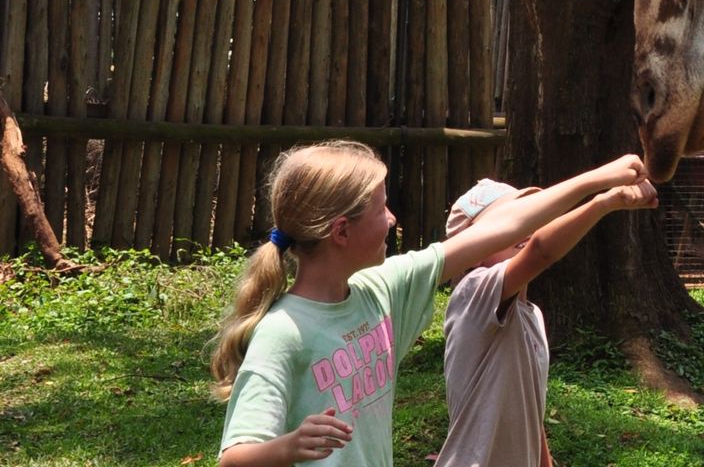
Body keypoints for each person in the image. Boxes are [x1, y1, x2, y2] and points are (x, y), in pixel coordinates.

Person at [208, 139, 648, 467]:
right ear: (341, 232)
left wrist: (601, 180)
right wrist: (289, 446)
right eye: (382, 208)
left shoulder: (383, 290)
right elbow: (234, 457)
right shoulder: (283, 332)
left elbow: (504, 227)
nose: (393, 218)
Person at [433, 171, 659, 467]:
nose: (524, 225)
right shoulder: (473, 292)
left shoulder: (533, 316)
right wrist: (603, 202)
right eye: (509, 220)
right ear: (472, 250)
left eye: (528, 215)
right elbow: (540, 250)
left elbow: (530, 409)